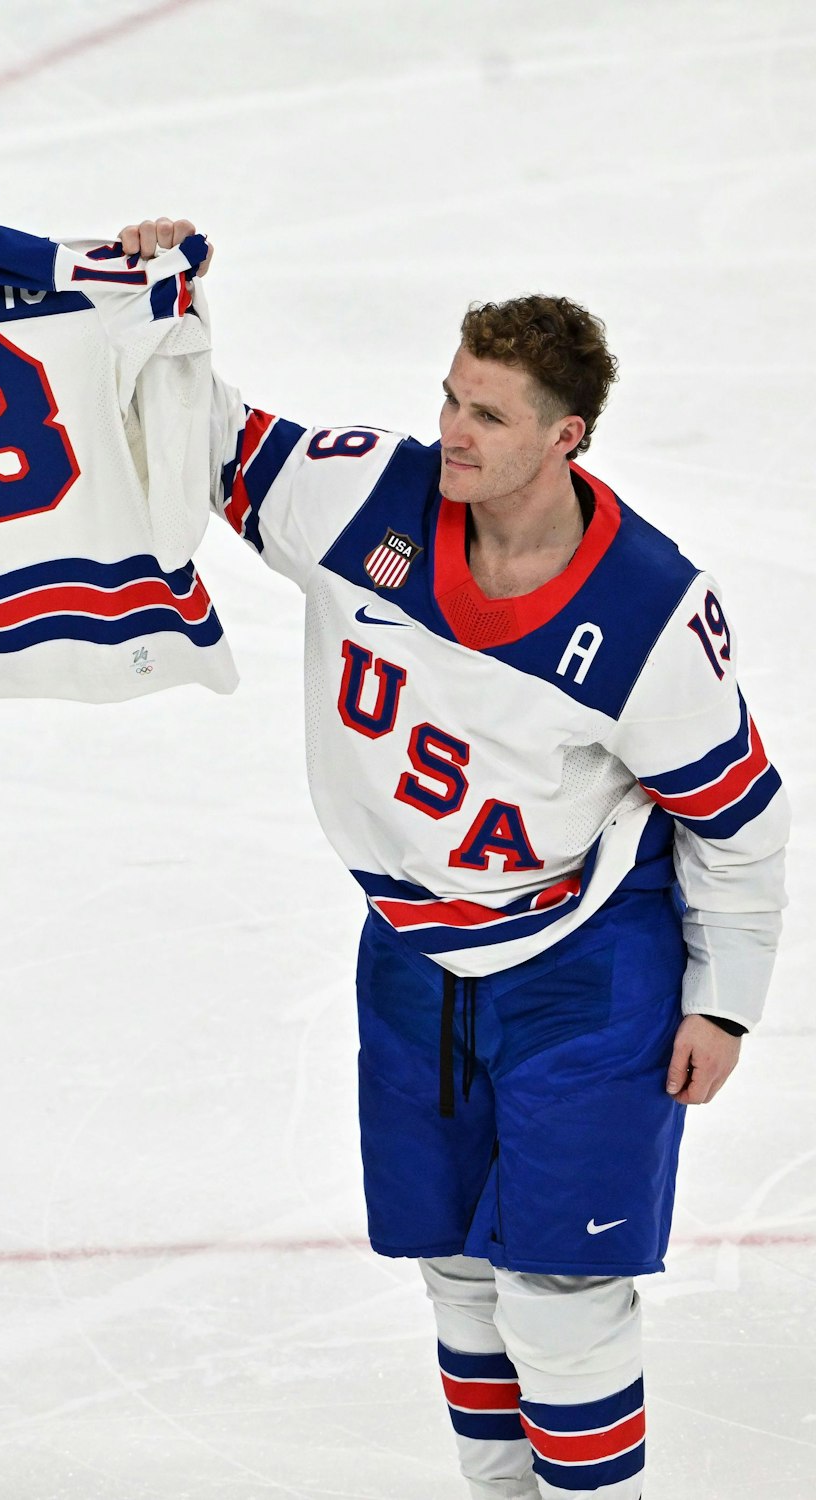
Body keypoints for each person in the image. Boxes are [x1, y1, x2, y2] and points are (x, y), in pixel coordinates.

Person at [159, 205, 789, 1500]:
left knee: (561, 1294)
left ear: (567, 436)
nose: (452, 431)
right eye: (449, 399)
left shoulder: (645, 616)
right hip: (408, 951)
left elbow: (739, 820)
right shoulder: (363, 497)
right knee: (454, 1271)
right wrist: (163, 308)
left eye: (490, 416)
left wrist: (724, 1003)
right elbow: (202, 439)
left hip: (584, 965)